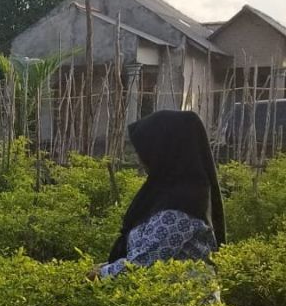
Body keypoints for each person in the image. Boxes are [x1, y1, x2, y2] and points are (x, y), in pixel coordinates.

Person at [93, 110, 224, 280]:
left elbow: (141, 264)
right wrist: (105, 266)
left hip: (181, 305)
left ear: (165, 150)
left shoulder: (182, 206)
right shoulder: (162, 191)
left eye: (146, 151)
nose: (140, 159)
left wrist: (98, 274)